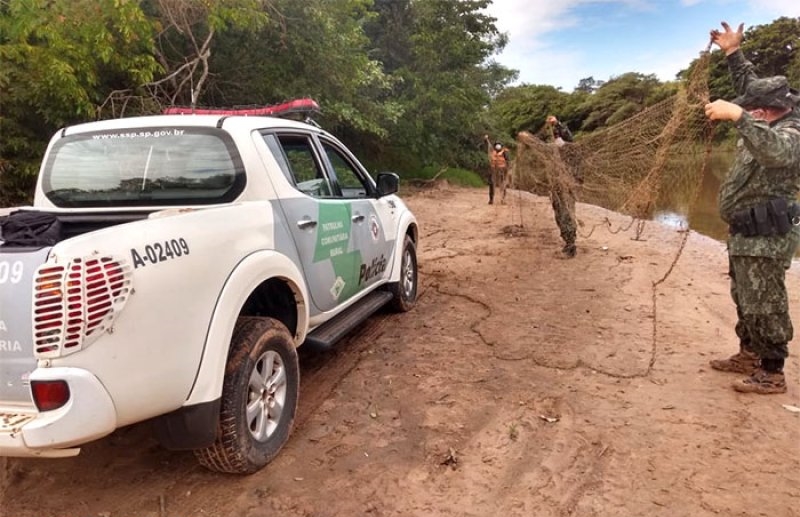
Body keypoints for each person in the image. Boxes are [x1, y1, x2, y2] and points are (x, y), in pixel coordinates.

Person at [704, 21, 800, 394]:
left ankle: (772, 372)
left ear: (768, 111)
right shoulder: (766, 110)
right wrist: (732, 52)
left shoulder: (792, 131)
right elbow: (750, 85)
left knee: (766, 302)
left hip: (768, 235)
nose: (750, 110)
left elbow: (779, 153)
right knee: (744, 297)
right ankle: (748, 354)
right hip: (744, 231)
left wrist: (739, 117)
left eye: (755, 110)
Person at [541, 116, 578, 257]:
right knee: (559, 213)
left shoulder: (567, 147)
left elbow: (569, 137)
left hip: (566, 185)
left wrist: (557, 123)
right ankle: (568, 241)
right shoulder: (551, 148)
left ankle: (571, 244)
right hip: (556, 185)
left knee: (566, 213)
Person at [484, 135, 510, 205]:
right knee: (491, 184)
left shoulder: (505, 152)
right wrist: (486, 139)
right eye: (496, 145)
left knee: (503, 185)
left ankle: (503, 199)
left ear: (501, 146)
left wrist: (506, 170)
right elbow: (488, 144)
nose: (498, 146)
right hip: (493, 170)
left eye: (499, 145)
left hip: (502, 170)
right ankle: (491, 199)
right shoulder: (492, 151)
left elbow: (508, 161)